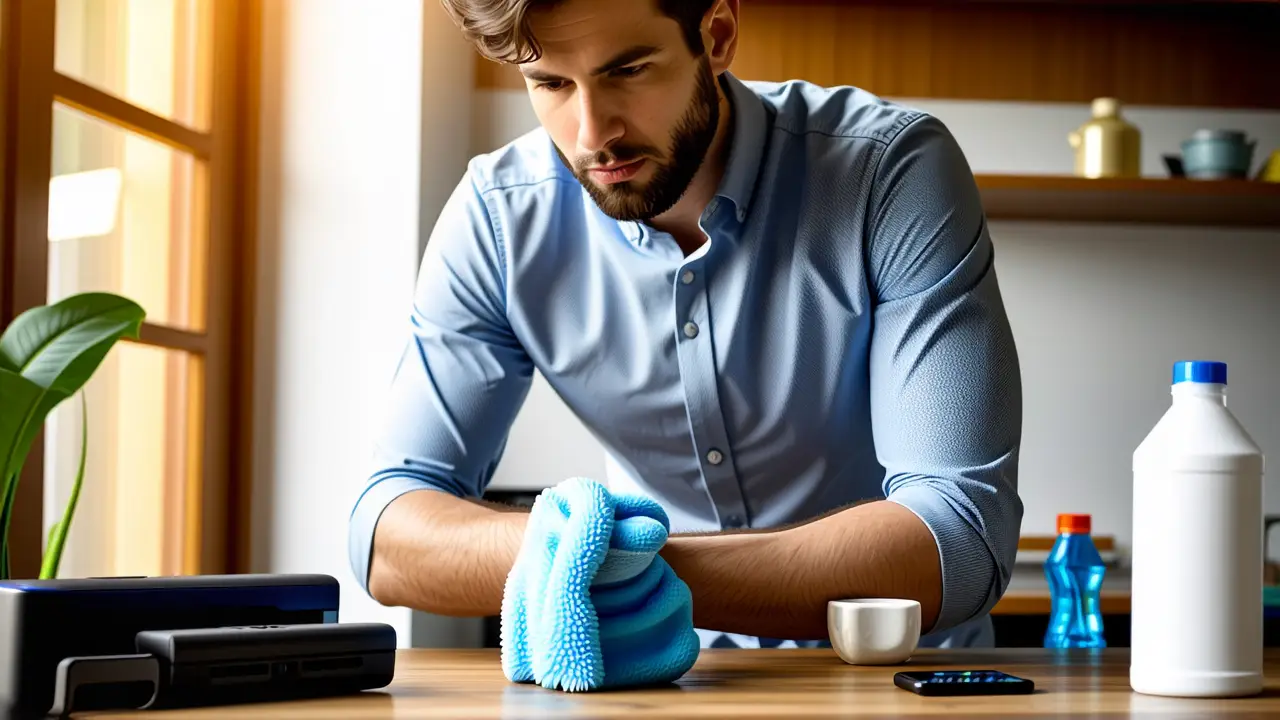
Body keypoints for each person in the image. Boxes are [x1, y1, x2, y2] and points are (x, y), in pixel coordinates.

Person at [349, 0, 1023, 649]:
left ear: (718, 35)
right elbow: (388, 538)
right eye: (550, 83)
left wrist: (603, 563)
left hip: (896, 679)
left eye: (627, 70)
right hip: (656, 686)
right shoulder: (499, 218)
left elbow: (960, 538)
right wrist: (607, 560)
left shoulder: (887, 171)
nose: (592, 135)